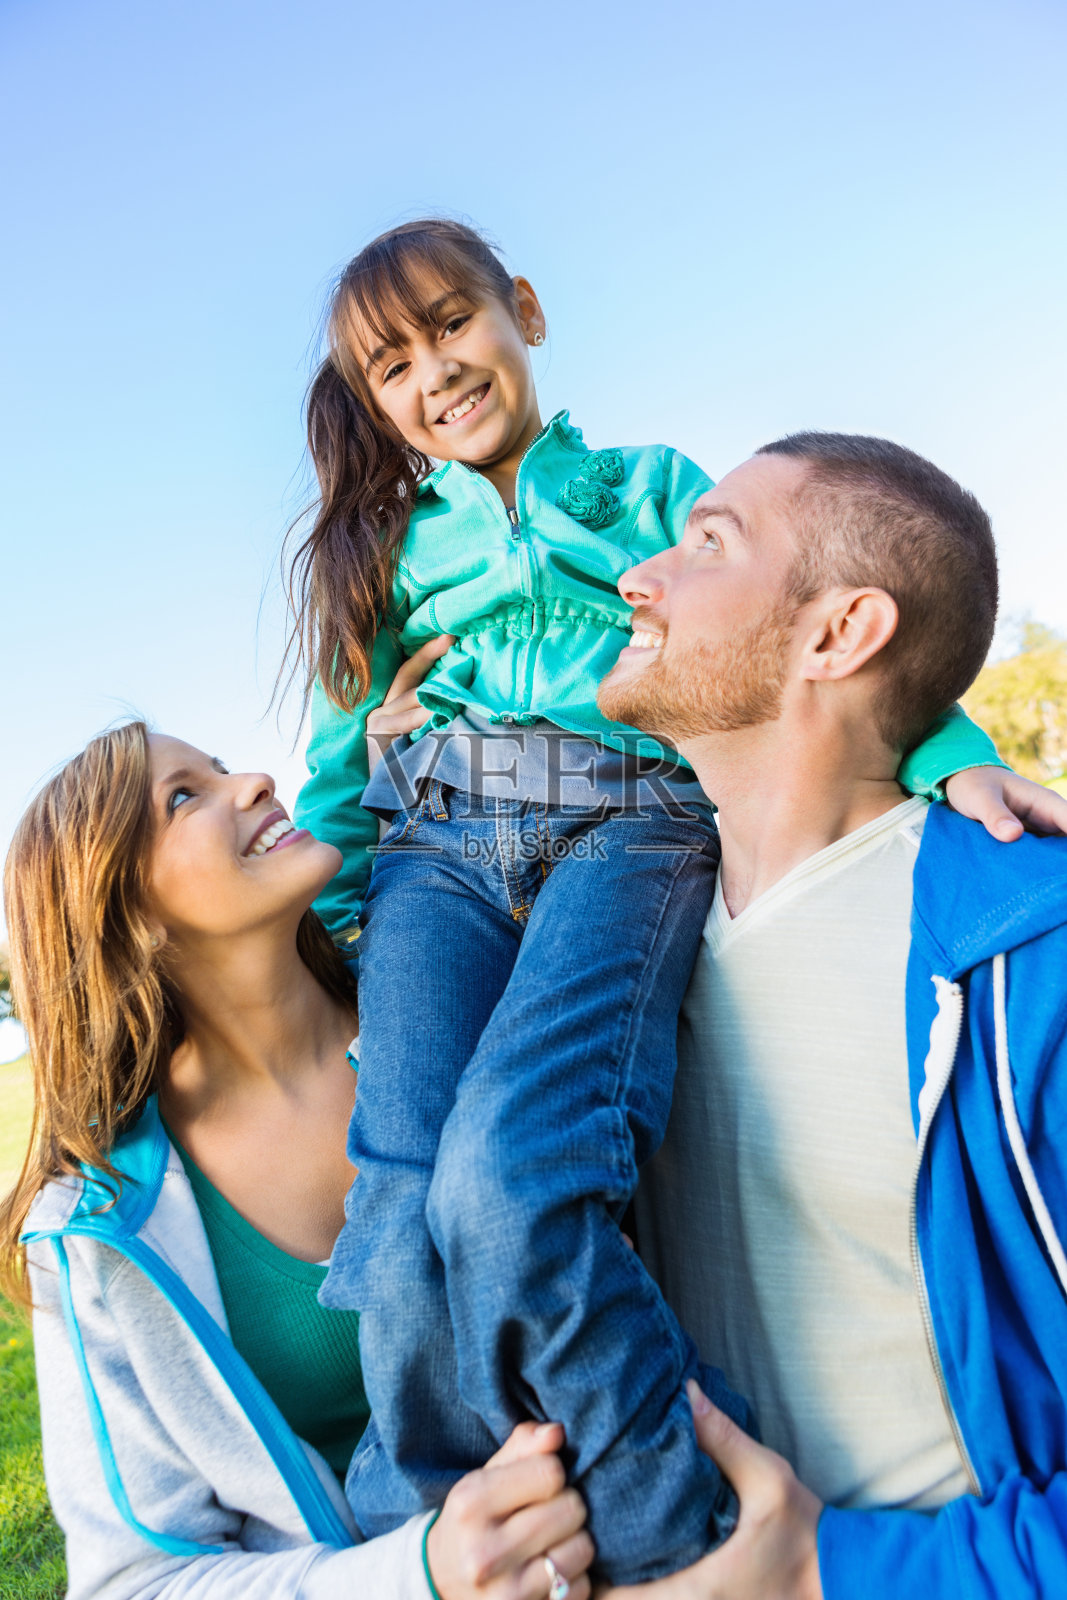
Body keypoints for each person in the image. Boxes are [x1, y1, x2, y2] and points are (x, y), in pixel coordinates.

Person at [289, 216, 1044, 1581]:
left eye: (452, 324)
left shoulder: (640, 489)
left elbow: (825, 617)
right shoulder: (395, 557)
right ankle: (435, 1526)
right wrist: (330, 907)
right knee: (397, 1210)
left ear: (522, 309)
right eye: (390, 365)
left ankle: (676, 1535)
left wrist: (958, 756)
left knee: (514, 1166)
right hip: (443, 834)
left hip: (622, 814)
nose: (433, 371)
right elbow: (347, 755)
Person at [588, 432, 1067, 1597]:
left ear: (839, 632)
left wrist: (827, 1568)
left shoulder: (1031, 954)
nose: (635, 576)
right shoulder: (605, 955)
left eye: (707, 542)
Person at [0, 722, 593, 1600]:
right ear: (127, 918)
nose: (254, 782)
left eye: (220, 766)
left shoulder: (464, 995)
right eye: (183, 798)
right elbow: (135, 1583)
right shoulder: (94, 1229)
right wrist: (416, 1575)